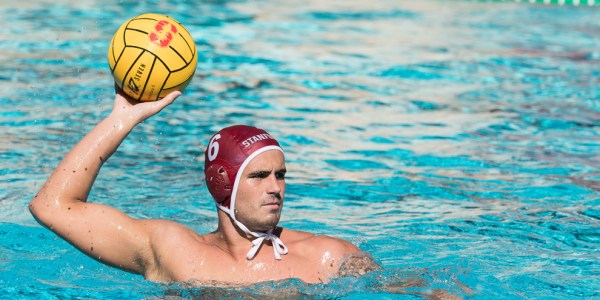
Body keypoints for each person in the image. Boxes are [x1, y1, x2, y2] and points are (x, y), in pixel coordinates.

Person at [29, 88, 379, 285]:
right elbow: (52, 206)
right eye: (258, 176)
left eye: (281, 174)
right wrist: (122, 119)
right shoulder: (174, 251)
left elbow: (406, 291)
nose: (276, 187)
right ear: (222, 182)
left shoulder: (329, 255)